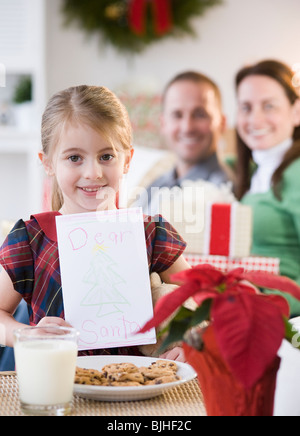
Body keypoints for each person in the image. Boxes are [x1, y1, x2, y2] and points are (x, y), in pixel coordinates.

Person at [0, 85, 190, 362]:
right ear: (49, 163)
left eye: (106, 156)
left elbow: (203, 300)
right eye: (74, 158)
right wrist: (25, 335)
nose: (93, 172)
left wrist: (188, 344)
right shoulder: (30, 239)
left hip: (140, 392)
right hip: (61, 392)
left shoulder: (151, 233)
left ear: (127, 161)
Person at [234, 59, 300, 316]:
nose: (255, 119)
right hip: (250, 300)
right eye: (246, 107)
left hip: (278, 311)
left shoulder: (296, 172)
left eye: (269, 106)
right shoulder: (255, 170)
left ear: (296, 112)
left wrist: (263, 303)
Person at [135, 71, 229, 214]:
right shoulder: (156, 184)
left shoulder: (222, 193)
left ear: (222, 123)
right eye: (177, 115)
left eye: (200, 114)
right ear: (163, 123)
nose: (187, 127)